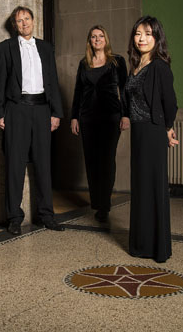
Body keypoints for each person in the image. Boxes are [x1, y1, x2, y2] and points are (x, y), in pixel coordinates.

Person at [0, 6, 65, 235]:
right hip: (16, 110)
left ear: (33, 21)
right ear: (14, 25)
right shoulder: (5, 48)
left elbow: (52, 81)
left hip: (42, 110)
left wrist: (56, 113)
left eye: (26, 19)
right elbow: (0, 84)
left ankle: (47, 215)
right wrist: (0, 113)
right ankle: (14, 217)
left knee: (44, 165)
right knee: (15, 165)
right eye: (19, 21)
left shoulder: (45, 47)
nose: (23, 23)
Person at [123, 15, 179, 263]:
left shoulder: (160, 66)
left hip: (153, 132)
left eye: (147, 33)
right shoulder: (134, 66)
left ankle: (158, 248)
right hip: (138, 132)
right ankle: (140, 244)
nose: (142, 38)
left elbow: (171, 103)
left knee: (154, 187)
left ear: (156, 37)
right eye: (138, 33)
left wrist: (167, 127)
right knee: (140, 187)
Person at [70, 25, 128, 222]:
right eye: (93, 37)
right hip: (87, 118)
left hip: (111, 117)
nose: (97, 39)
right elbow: (78, 92)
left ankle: (105, 204)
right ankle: (97, 203)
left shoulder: (117, 61)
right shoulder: (83, 64)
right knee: (92, 161)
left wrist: (126, 115)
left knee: (106, 160)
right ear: (90, 41)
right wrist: (74, 117)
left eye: (100, 36)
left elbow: (125, 89)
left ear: (106, 39)